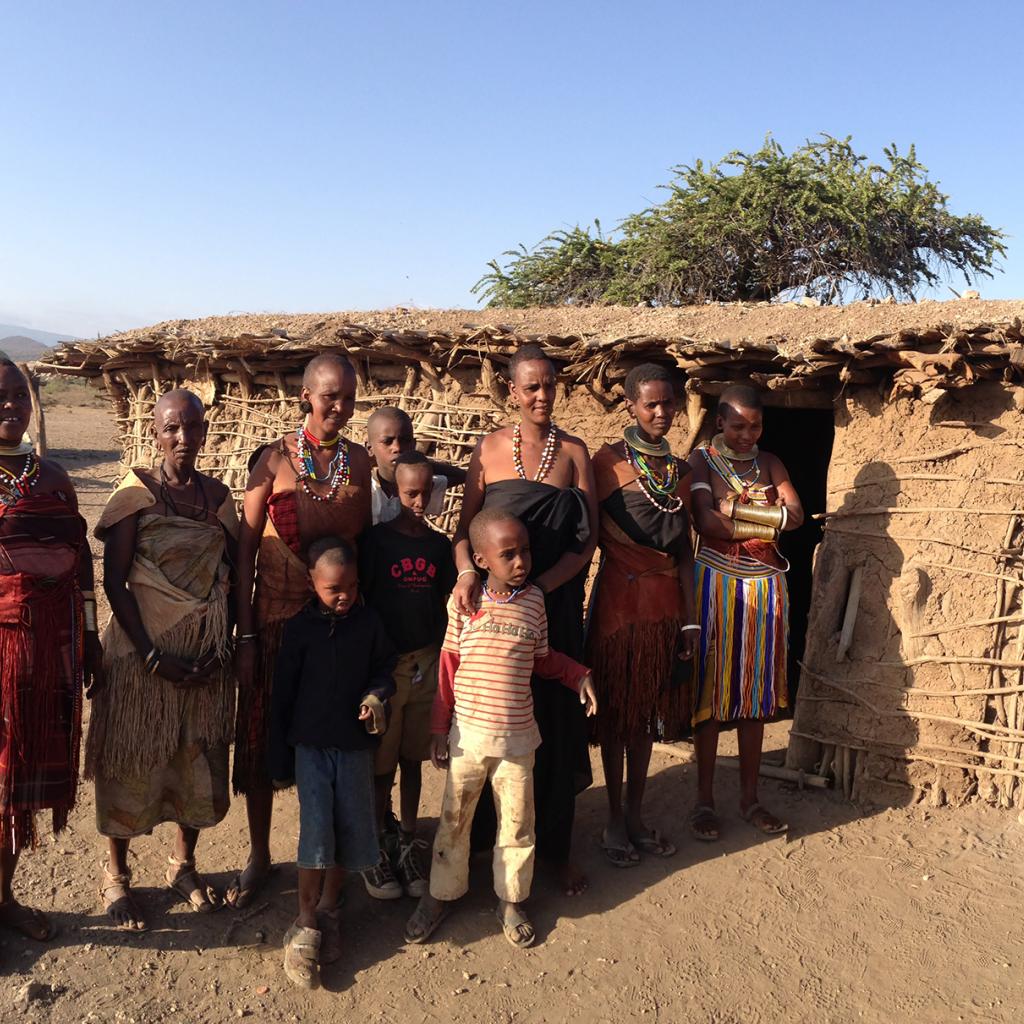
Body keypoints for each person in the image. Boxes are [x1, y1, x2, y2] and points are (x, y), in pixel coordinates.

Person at [405, 510, 597, 949]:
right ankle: (440, 896)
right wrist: (439, 729)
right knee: (454, 821)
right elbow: (448, 669)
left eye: (525, 551)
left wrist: (579, 675)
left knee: (517, 825)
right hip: (468, 738)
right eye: (507, 554)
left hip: (518, 741)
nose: (520, 562)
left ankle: (511, 900)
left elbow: (544, 661)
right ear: (481, 559)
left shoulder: (534, 603)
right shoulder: (464, 604)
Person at [86, 389, 237, 930]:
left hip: (202, 661)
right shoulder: (135, 495)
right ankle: (116, 875)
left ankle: (183, 864)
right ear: (155, 431)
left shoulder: (219, 500)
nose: (183, 439)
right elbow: (115, 580)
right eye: (172, 428)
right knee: (130, 760)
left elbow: (235, 576)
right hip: (139, 657)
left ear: (204, 432)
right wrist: (152, 655)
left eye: (192, 428)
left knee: (194, 760)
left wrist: (225, 648)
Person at [451, 343, 597, 897]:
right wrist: (468, 575)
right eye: (531, 386)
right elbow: (465, 533)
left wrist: (537, 589)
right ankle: (481, 845)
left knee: (554, 730)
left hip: (552, 608)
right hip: (492, 612)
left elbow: (587, 542)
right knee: (490, 722)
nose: (542, 395)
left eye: (550, 385)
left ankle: (556, 854)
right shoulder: (487, 450)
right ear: (512, 391)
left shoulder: (576, 453)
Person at [231, 352, 372, 908]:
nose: (340, 405)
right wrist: (245, 637)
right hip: (274, 626)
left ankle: (329, 860)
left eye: (349, 396)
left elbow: (361, 550)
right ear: (307, 398)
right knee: (262, 742)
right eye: (330, 395)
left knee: (331, 746)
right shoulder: (273, 461)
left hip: (334, 635)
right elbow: (244, 555)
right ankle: (261, 855)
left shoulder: (359, 463)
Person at [0, 356, 101, 941]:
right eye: (0, 395)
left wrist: (89, 636)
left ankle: (4, 896)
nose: (11, 405)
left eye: (20, 393)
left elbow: (83, 562)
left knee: (22, 779)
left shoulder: (53, 477)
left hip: (49, 647)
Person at [269, 537, 396, 989]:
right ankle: (304, 921)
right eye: (332, 589)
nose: (343, 596)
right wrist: (279, 755)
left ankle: (330, 908)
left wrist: (376, 694)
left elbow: (386, 669)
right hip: (311, 749)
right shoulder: (300, 630)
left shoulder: (369, 623)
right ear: (312, 584)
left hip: (355, 748)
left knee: (348, 828)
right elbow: (283, 693)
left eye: (350, 586)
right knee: (317, 829)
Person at [586, 364, 698, 867]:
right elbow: (585, 538)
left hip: (665, 608)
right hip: (618, 608)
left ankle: (635, 814)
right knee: (617, 714)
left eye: (668, 403)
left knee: (647, 713)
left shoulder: (678, 471)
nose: (661, 413)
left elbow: (685, 554)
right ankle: (612, 818)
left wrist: (692, 619)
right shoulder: (605, 464)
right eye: (650, 403)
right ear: (630, 404)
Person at [686, 384, 803, 840]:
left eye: (755, 425)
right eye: (738, 425)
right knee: (711, 696)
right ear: (719, 422)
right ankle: (703, 802)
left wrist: (733, 508)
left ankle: (751, 799)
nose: (747, 434)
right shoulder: (700, 461)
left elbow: (795, 515)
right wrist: (764, 513)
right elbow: (703, 521)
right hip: (715, 583)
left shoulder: (770, 462)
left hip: (766, 588)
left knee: (755, 697)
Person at [358, 451, 456, 900]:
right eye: (409, 492)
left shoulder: (438, 547)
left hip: (426, 663)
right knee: (381, 763)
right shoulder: (376, 543)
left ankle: (407, 840)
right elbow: (366, 601)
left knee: (412, 758)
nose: (418, 501)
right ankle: (377, 841)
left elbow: (444, 603)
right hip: (387, 668)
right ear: (395, 492)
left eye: (425, 492)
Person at [366, 405, 466, 525]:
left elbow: (462, 476)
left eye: (405, 440)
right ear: (369, 448)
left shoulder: (419, 487)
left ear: (413, 444)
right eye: (387, 442)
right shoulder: (366, 488)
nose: (397, 448)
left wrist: (420, 464)